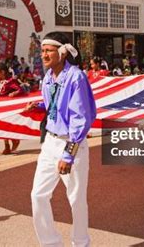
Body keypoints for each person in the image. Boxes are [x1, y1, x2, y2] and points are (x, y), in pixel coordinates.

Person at [25, 32, 96, 246]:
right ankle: (51, 243)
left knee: (76, 200)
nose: (44, 55)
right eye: (42, 50)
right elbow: (53, 108)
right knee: (38, 195)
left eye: (49, 50)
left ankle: (81, 243)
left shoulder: (76, 76)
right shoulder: (47, 78)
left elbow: (80, 118)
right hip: (50, 143)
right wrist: (37, 107)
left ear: (63, 52)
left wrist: (69, 154)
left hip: (71, 144)